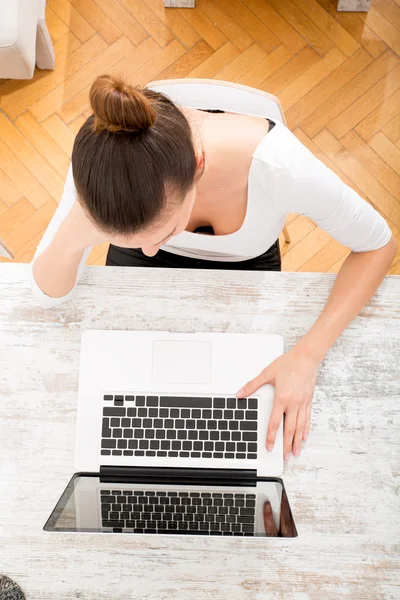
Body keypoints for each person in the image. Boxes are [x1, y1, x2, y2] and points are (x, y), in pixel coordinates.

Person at [31, 75, 397, 464]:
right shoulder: (104, 162)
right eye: (134, 238)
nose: (151, 251)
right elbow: (46, 294)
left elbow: (378, 244)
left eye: (165, 231)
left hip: (248, 266)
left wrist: (307, 356)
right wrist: (76, 229)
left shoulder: (279, 165)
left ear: (198, 165)